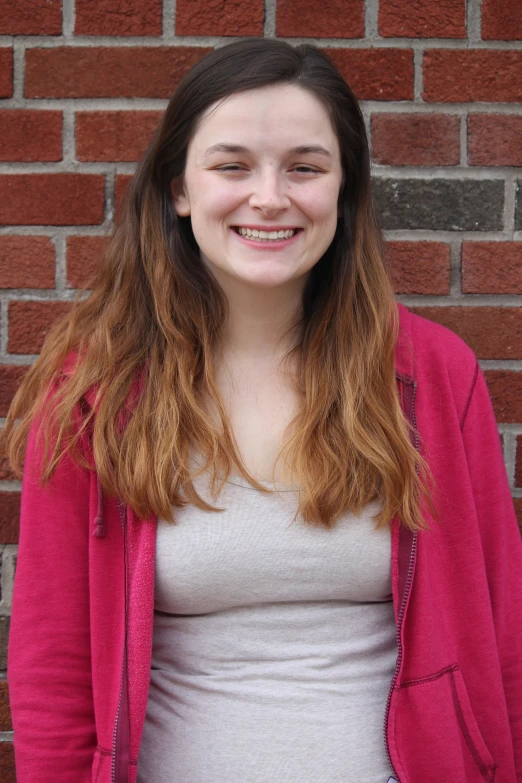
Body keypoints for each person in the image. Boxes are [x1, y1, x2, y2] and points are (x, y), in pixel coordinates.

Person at [3, 37, 522, 783]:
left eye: (305, 167)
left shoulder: (435, 375)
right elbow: (54, 665)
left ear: (343, 194)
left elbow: (501, 634)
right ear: (179, 187)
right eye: (233, 165)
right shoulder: (96, 390)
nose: (271, 196)